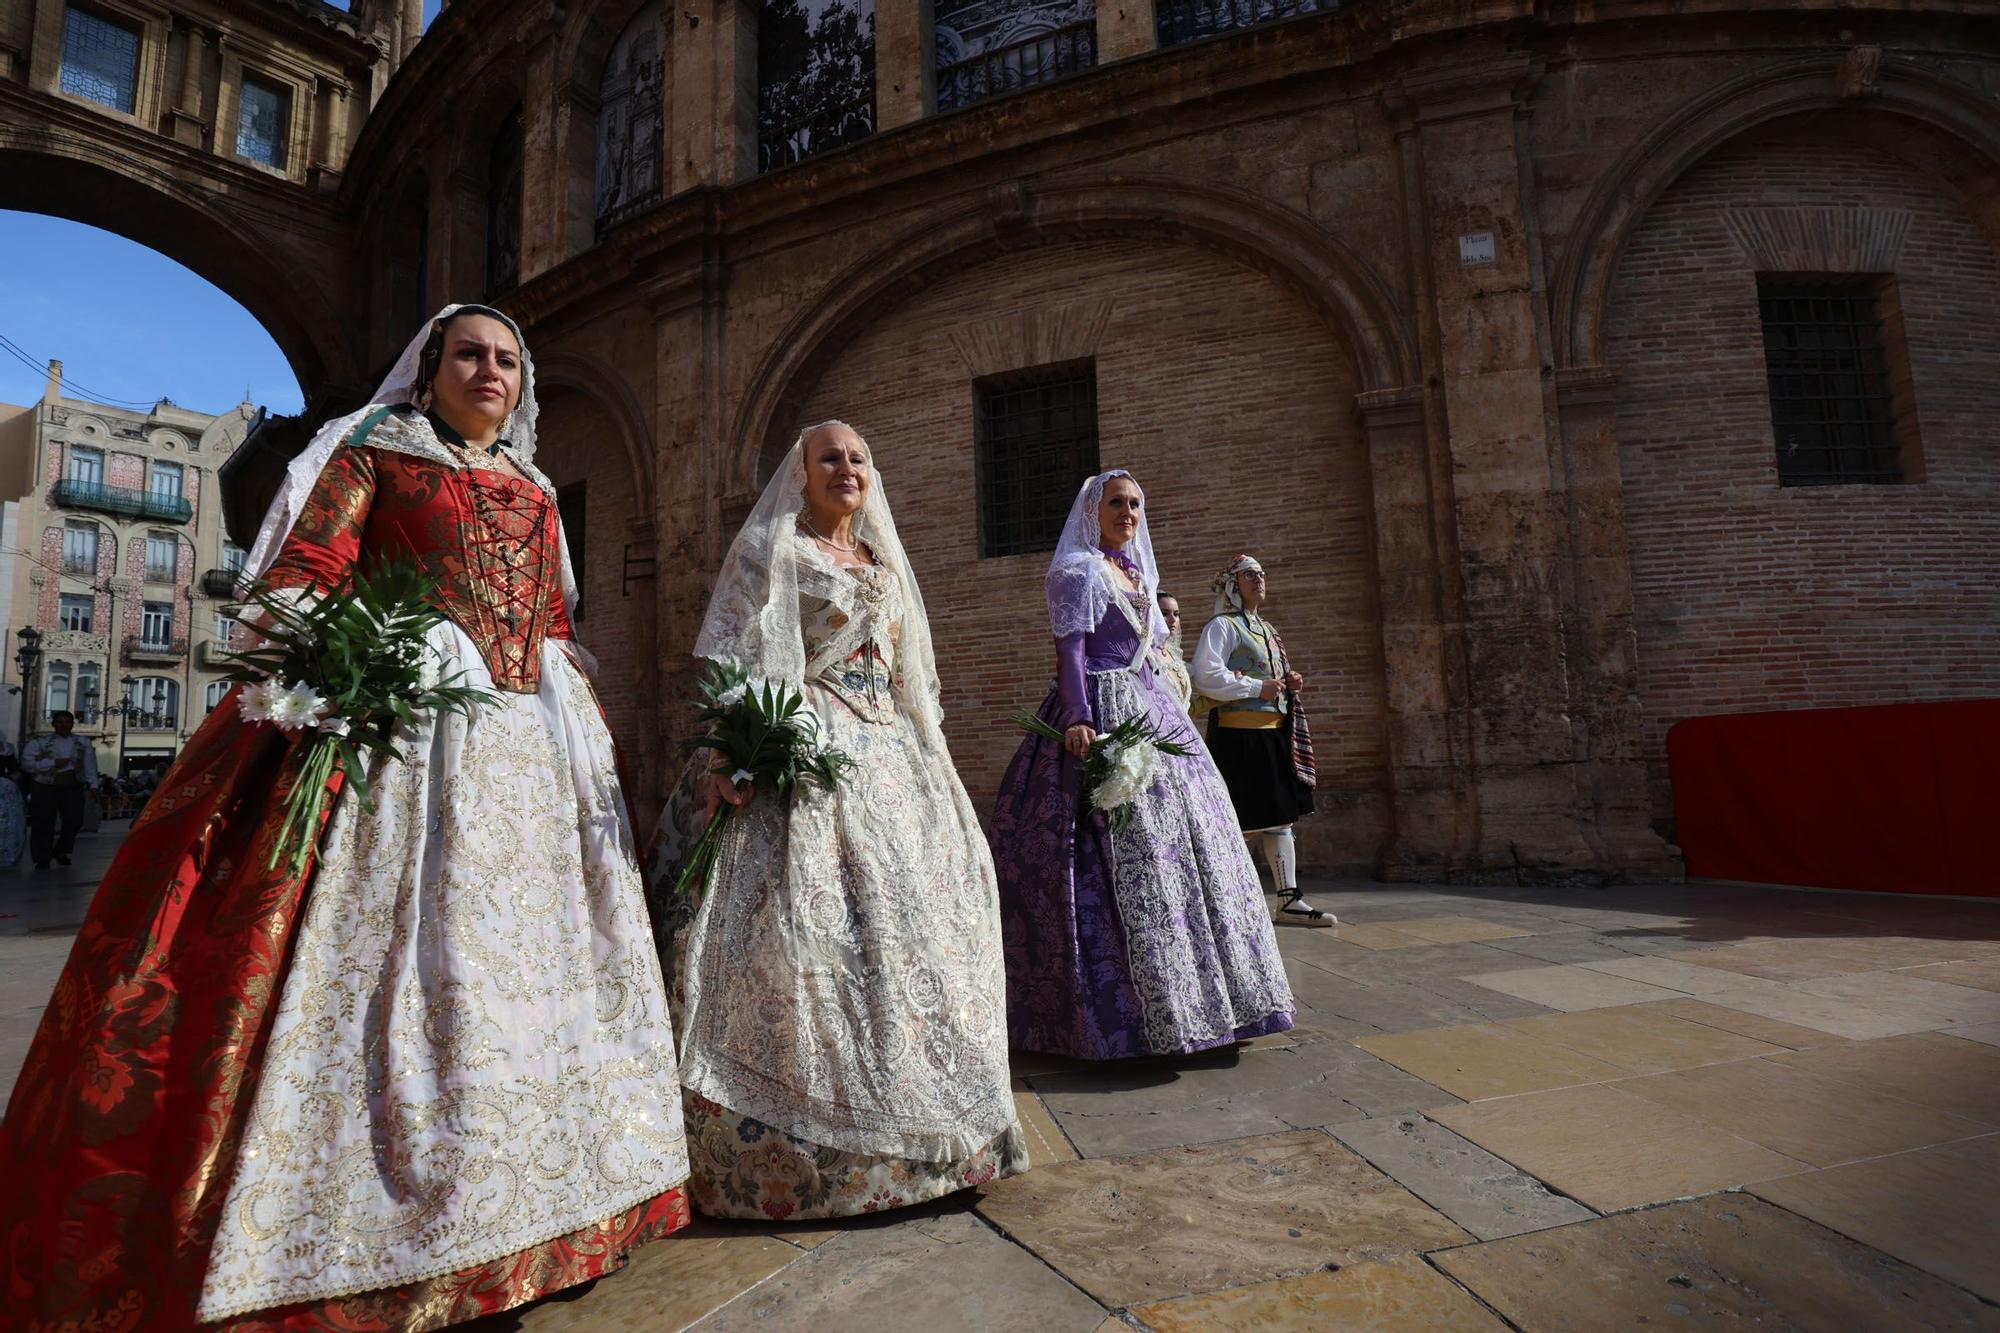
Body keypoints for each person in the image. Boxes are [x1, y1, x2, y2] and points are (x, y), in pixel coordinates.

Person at [0, 304, 691, 1331]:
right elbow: (305, 577)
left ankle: (544, 1200)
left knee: (535, 975)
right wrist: (356, 667)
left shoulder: (537, 489)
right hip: (409, 743)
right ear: (429, 370)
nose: (490, 370)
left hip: (527, 758)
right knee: (410, 971)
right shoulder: (374, 454)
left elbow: (552, 621)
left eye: (507, 359)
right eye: (471, 353)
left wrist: (576, 711)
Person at [648, 419, 1024, 1220]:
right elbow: (731, 656)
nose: (846, 467)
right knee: (805, 936)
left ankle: (944, 1131)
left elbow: (907, 673)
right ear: (802, 472)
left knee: (926, 928)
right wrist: (744, 743)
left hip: (895, 759)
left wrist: (933, 757)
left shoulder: (885, 562)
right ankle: (808, 1151)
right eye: (830, 457)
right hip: (805, 747)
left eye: (858, 456)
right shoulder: (772, 551)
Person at [989, 471, 1295, 1060]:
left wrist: (1169, 705)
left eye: (1135, 504)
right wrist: (1079, 717)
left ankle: (1206, 1000)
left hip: (1152, 710)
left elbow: (1150, 652)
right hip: (1099, 710)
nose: (1127, 512)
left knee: (1193, 844)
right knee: (1104, 850)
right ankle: (1116, 1017)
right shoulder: (1077, 571)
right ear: (1092, 511)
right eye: (1116, 503)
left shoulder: (1137, 573)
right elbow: (1071, 650)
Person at [1193, 553, 1332, 926]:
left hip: (1273, 736)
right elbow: (1205, 676)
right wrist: (1257, 686)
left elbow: (1272, 678)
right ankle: (1226, 902)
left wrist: (1289, 682)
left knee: (1280, 819)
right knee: (1235, 821)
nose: (1259, 579)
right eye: (1250, 574)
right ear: (1233, 584)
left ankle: (1288, 900)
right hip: (1238, 738)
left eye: (1262, 574)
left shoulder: (1266, 629)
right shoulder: (1222, 627)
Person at [20, 710, 99, 868]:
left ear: (72, 724)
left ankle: (61, 850)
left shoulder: (83, 742)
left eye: (67, 722)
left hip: (73, 785)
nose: (64, 725)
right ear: (54, 724)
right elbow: (26, 764)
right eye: (60, 722)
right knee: (43, 823)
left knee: (74, 821)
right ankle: (42, 858)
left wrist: (94, 785)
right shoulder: (39, 742)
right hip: (45, 786)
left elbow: (90, 765)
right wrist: (52, 763)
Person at [1154, 590, 1194, 711]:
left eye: (1176, 614)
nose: (1173, 619)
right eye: (1164, 614)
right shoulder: (1147, 656)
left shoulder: (1174, 654)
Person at [0, 741, 25, 868]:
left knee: (6, 823)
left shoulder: (6, 749)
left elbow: (15, 770)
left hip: (4, 790)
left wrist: (10, 780)